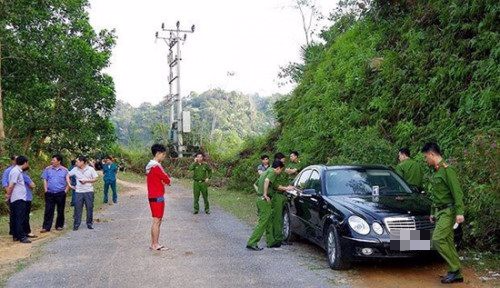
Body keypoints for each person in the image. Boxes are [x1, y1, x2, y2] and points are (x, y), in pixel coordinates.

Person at [422, 142, 465, 284]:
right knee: (447, 241)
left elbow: (457, 192)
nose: (425, 160)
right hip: (440, 211)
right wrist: (433, 212)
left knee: (437, 239)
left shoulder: (447, 170)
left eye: (425, 157)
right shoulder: (437, 171)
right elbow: (437, 195)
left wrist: (460, 212)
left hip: (449, 211)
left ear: (431, 154)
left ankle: (455, 267)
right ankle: (455, 273)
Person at [246, 160, 287, 251]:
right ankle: (252, 242)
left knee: (266, 221)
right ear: (278, 168)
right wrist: (264, 194)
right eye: (281, 170)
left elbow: (271, 184)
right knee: (263, 222)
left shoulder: (266, 171)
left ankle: (270, 242)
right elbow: (267, 180)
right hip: (264, 200)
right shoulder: (272, 172)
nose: (280, 172)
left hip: (260, 199)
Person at [146, 144, 171, 251]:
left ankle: (154, 243)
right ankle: (155, 244)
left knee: (157, 220)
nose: (164, 157)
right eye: (163, 154)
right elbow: (167, 179)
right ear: (158, 154)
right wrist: (166, 180)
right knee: (157, 220)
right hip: (157, 196)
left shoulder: (150, 166)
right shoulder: (156, 166)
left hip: (153, 195)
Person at [270, 152, 295, 247]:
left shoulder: (281, 169)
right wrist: (286, 188)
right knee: (277, 218)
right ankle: (277, 238)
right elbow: (275, 185)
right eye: (282, 160)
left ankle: (280, 237)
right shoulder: (274, 171)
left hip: (282, 195)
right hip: (277, 196)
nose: (283, 163)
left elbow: (284, 182)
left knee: (281, 217)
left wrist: (289, 187)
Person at [67, 156, 98, 231]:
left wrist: (86, 181)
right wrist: (69, 184)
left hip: (89, 191)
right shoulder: (74, 169)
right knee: (77, 208)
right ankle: (76, 224)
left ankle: (89, 223)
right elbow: (67, 175)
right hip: (78, 192)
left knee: (89, 208)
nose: (76, 163)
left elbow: (96, 178)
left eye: (77, 161)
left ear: (82, 162)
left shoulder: (90, 169)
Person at [40, 155, 69, 233]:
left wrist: (65, 191)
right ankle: (46, 227)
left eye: (54, 160)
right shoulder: (47, 169)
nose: (52, 161)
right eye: (52, 160)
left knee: (60, 210)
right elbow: (45, 180)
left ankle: (59, 225)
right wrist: (46, 190)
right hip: (50, 193)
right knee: (48, 210)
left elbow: (68, 182)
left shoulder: (65, 170)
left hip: (61, 193)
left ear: (59, 161)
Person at [6, 156, 31, 243]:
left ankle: (16, 235)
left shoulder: (17, 171)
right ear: (24, 163)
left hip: (18, 198)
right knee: (19, 217)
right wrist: (8, 195)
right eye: (27, 163)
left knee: (16, 217)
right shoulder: (16, 171)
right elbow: (11, 185)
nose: (27, 164)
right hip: (18, 198)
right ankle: (21, 236)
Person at [2, 155, 17, 238]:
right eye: (16, 160)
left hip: (19, 195)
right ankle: (13, 231)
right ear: (13, 161)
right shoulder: (8, 170)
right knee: (13, 213)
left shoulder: (21, 170)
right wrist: (8, 192)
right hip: (11, 194)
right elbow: (4, 182)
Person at [22, 167, 37, 239]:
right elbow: (32, 185)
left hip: (20, 198)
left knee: (21, 215)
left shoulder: (14, 173)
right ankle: (27, 232)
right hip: (26, 198)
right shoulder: (25, 175)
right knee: (25, 216)